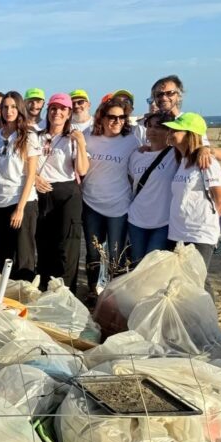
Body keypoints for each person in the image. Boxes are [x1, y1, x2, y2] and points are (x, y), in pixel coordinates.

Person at [81, 96, 141, 295]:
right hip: (91, 203)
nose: (117, 121)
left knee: (117, 254)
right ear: (101, 117)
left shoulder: (132, 140)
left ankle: (114, 294)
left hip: (119, 206)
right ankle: (94, 291)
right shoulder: (88, 136)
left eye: (122, 117)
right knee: (93, 252)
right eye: (112, 117)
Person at [0, 91, 39, 282]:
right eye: (4, 107)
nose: (8, 111)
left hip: (20, 202)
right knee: (1, 254)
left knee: (23, 255)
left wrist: (20, 209)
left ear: (20, 109)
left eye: (13, 106)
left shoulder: (28, 136)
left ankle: (25, 293)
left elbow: (31, 174)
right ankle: (4, 295)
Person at [34, 94, 89, 290]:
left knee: (67, 246)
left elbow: (82, 170)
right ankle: (44, 290)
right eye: (53, 108)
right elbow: (27, 163)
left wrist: (81, 144)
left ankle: (67, 292)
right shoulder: (37, 136)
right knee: (43, 244)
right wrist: (34, 177)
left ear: (68, 114)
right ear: (48, 111)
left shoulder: (72, 138)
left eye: (62, 109)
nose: (57, 113)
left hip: (67, 192)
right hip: (42, 191)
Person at [165, 112, 221, 273]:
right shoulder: (182, 160)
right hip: (177, 232)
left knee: (197, 282)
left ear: (190, 135)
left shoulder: (207, 161)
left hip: (199, 234)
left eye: (176, 131)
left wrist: (206, 222)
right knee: (180, 281)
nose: (170, 133)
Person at [127, 111, 177, 266]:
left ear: (169, 130)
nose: (153, 131)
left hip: (163, 222)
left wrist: (204, 150)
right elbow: (131, 183)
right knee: (137, 264)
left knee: (152, 266)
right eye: (149, 126)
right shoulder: (136, 155)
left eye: (159, 127)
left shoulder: (176, 154)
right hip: (136, 219)